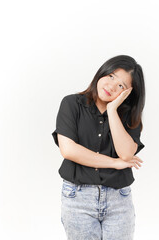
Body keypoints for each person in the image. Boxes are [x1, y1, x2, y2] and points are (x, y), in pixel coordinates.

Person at [52, 55, 146, 240]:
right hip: (78, 197)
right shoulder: (72, 104)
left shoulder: (129, 116)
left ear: (128, 94)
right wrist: (113, 163)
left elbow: (126, 155)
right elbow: (69, 150)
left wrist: (112, 111)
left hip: (119, 200)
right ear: (102, 72)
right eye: (111, 76)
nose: (112, 86)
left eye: (121, 86)